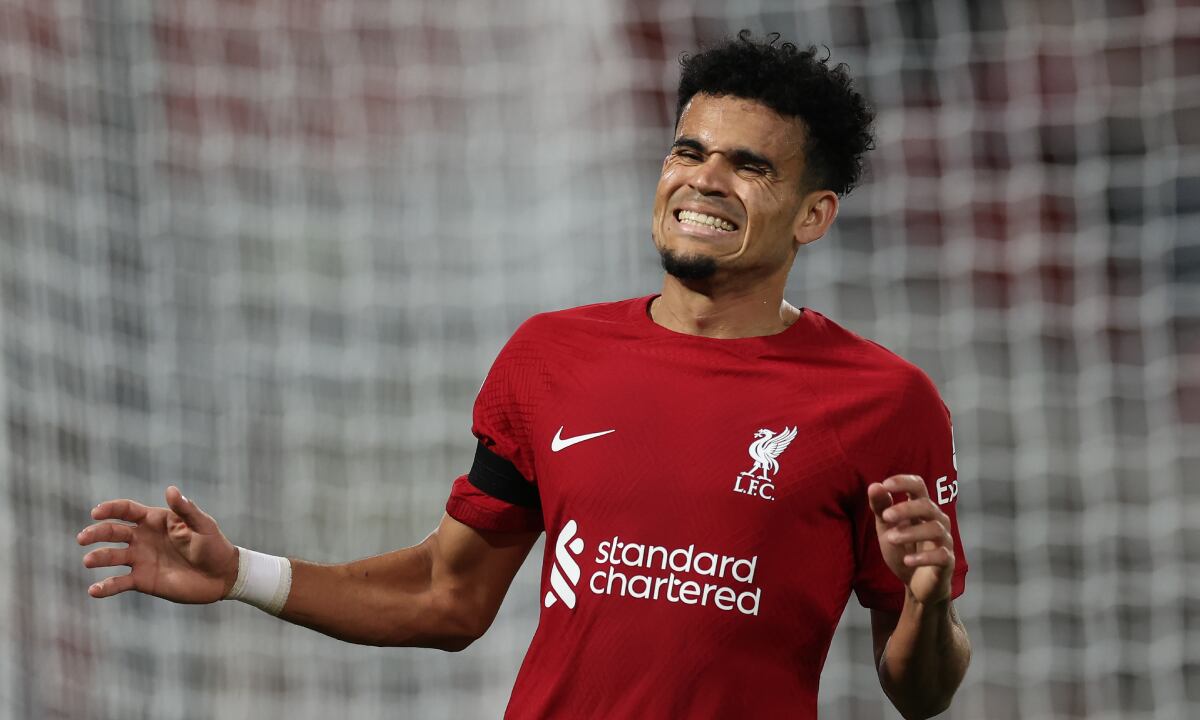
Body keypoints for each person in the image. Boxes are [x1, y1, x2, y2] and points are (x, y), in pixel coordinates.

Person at [78, 32, 970, 719]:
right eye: (689, 151)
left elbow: (920, 692)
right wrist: (242, 574)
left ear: (815, 214)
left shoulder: (884, 400)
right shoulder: (551, 357)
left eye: (751, 165)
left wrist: (926, 606)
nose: (705, 182)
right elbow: (449, 594)